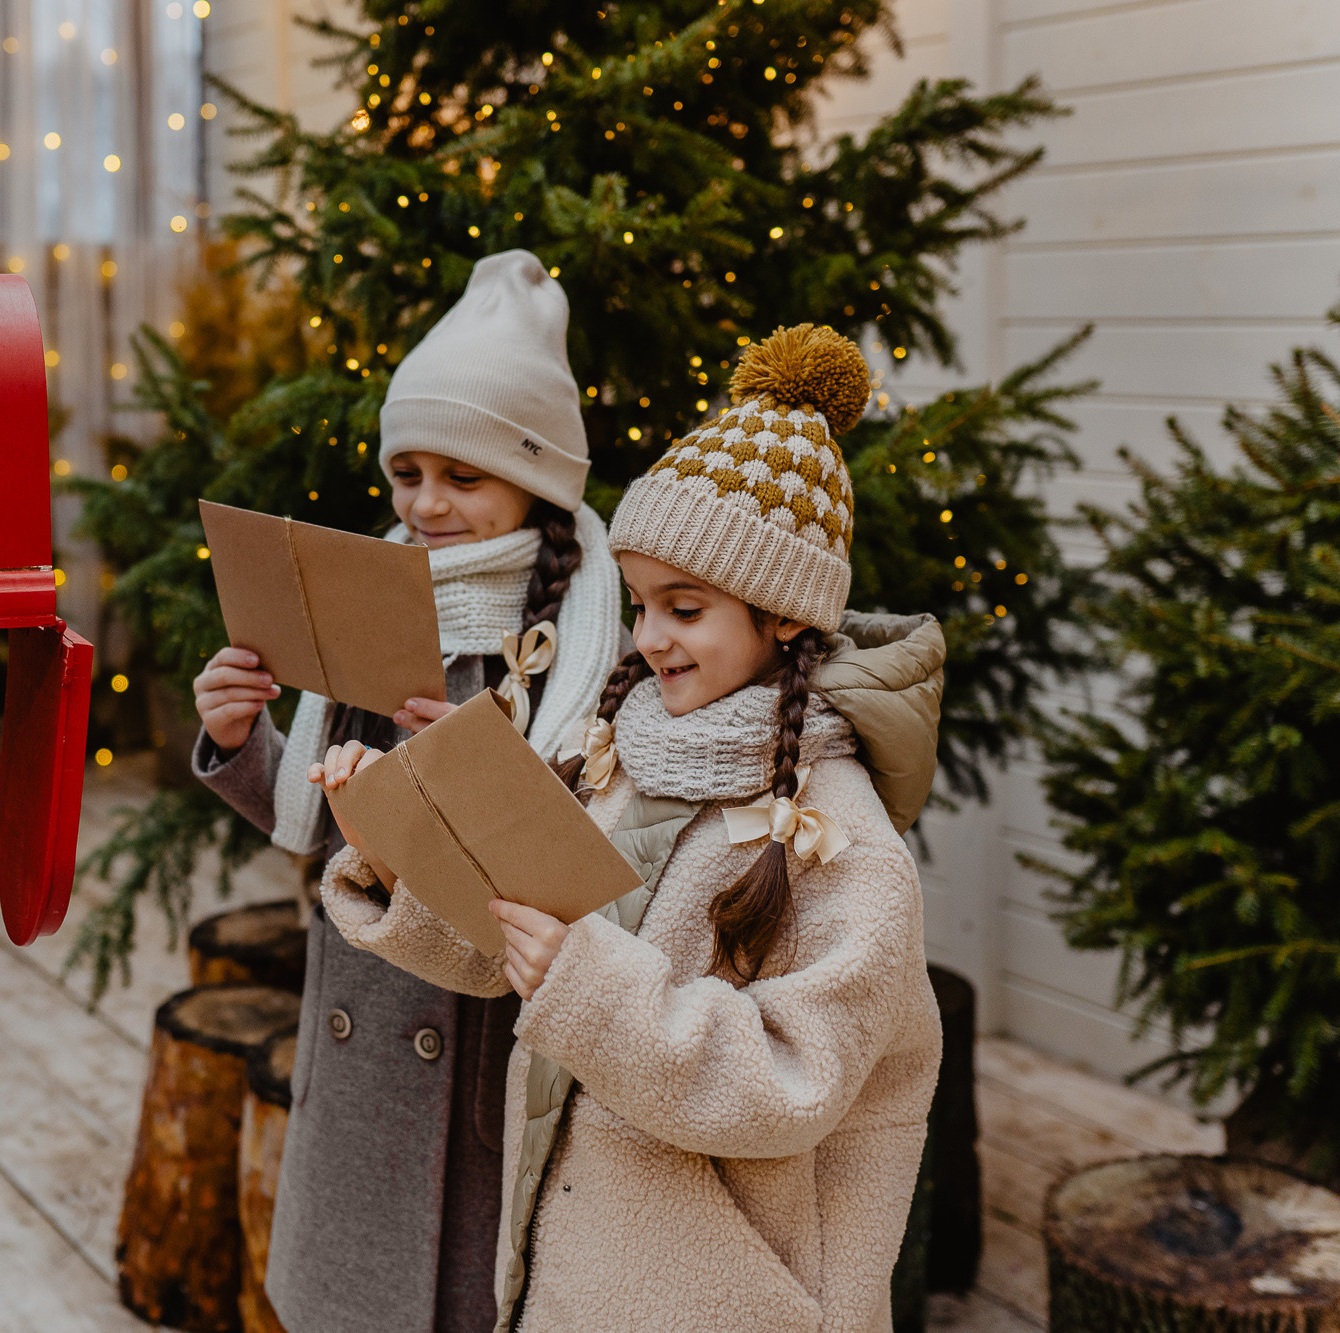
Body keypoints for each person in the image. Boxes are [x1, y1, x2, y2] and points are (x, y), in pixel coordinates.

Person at [312, 324, 946, 1332]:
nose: (647, 636)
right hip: (575, 1271)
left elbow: (789, 1081)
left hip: (730, 1300)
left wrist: (582, 981)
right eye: (644, 603)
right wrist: (393, 854)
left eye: (683, 609)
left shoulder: (844, 847)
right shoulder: (627, 757)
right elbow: (514, 933)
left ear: (781, 616)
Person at [189, 250, 625, 1333]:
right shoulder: (374, 594)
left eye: (461, 477)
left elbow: (582, 874)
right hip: (358, 1029)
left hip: (478, 1051)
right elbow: (322, 822)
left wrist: (470, 778)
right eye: (407, 472)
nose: (425, 504)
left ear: (536, 478)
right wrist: (240, 735)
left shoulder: (583, 639)